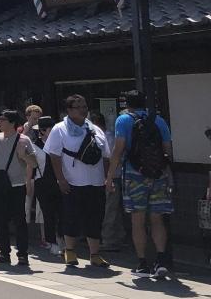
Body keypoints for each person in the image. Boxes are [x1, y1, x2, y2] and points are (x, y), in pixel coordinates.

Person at [108, 90, 175, 279]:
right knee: (157, 219)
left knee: (137, 220)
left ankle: (143, 263)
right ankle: (161, 261)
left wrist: (110, 176)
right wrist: (167, 174)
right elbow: (168, 150)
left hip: (134, 175)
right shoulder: (158, 120)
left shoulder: (123, 120)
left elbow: (118, 149)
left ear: (127, 103)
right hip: (158, 175)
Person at [43, 94, 113, 268]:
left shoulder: (95, 129)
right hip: (73, 181)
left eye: (84, 106)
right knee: (71, 217)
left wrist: (107, 178)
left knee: (95, 218)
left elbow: (106, 156)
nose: (83, 110)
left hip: (96, 182)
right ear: (69, 110)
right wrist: (61, 179)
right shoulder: (60, 129)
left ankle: (94, 254)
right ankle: (70, 251)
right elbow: (54, 156)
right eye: (78, 107)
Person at [0, 110, 37, 268]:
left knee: (20, 221)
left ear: (12, 122)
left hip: (17, 185)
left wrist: (23, 155)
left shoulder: (23, 139)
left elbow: (34, 163)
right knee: (0, 220)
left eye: (3, 119)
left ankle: (22, 254)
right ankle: (4, 253)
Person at [32, 114, 62, 255]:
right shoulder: (34, 146)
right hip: (42, 182)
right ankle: (52, 242)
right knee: (48, 214)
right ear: (42, 131)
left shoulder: (59, 144)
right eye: (50, 129)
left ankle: (62, 240)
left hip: (59, 181)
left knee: (62, 213)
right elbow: (31, 166)